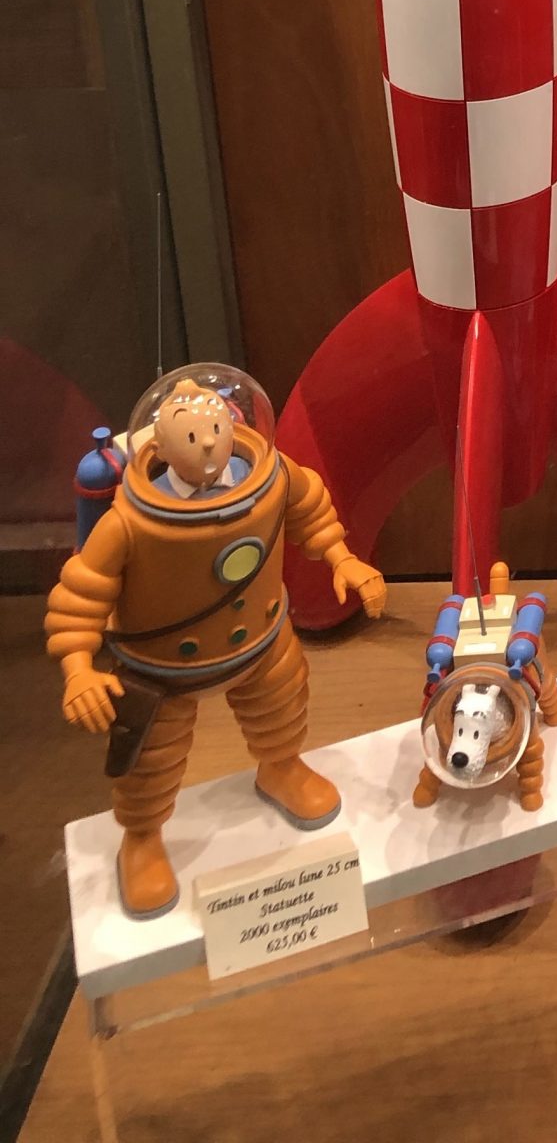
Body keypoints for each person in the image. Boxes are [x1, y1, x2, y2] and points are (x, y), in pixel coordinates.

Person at [46, 368, 385, 919]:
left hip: (261, 642)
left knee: (282, 708)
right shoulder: (131, 523)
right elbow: (82, 592)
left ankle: (280, 767)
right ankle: (142, 837)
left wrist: (342, 558)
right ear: (159, 447)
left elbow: (310, 509)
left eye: (214, 431)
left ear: (233, 428)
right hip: (159, 669)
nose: (206, 445)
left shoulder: (270, 478)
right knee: (150, 762)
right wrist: (78, 667)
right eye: (190, 435)